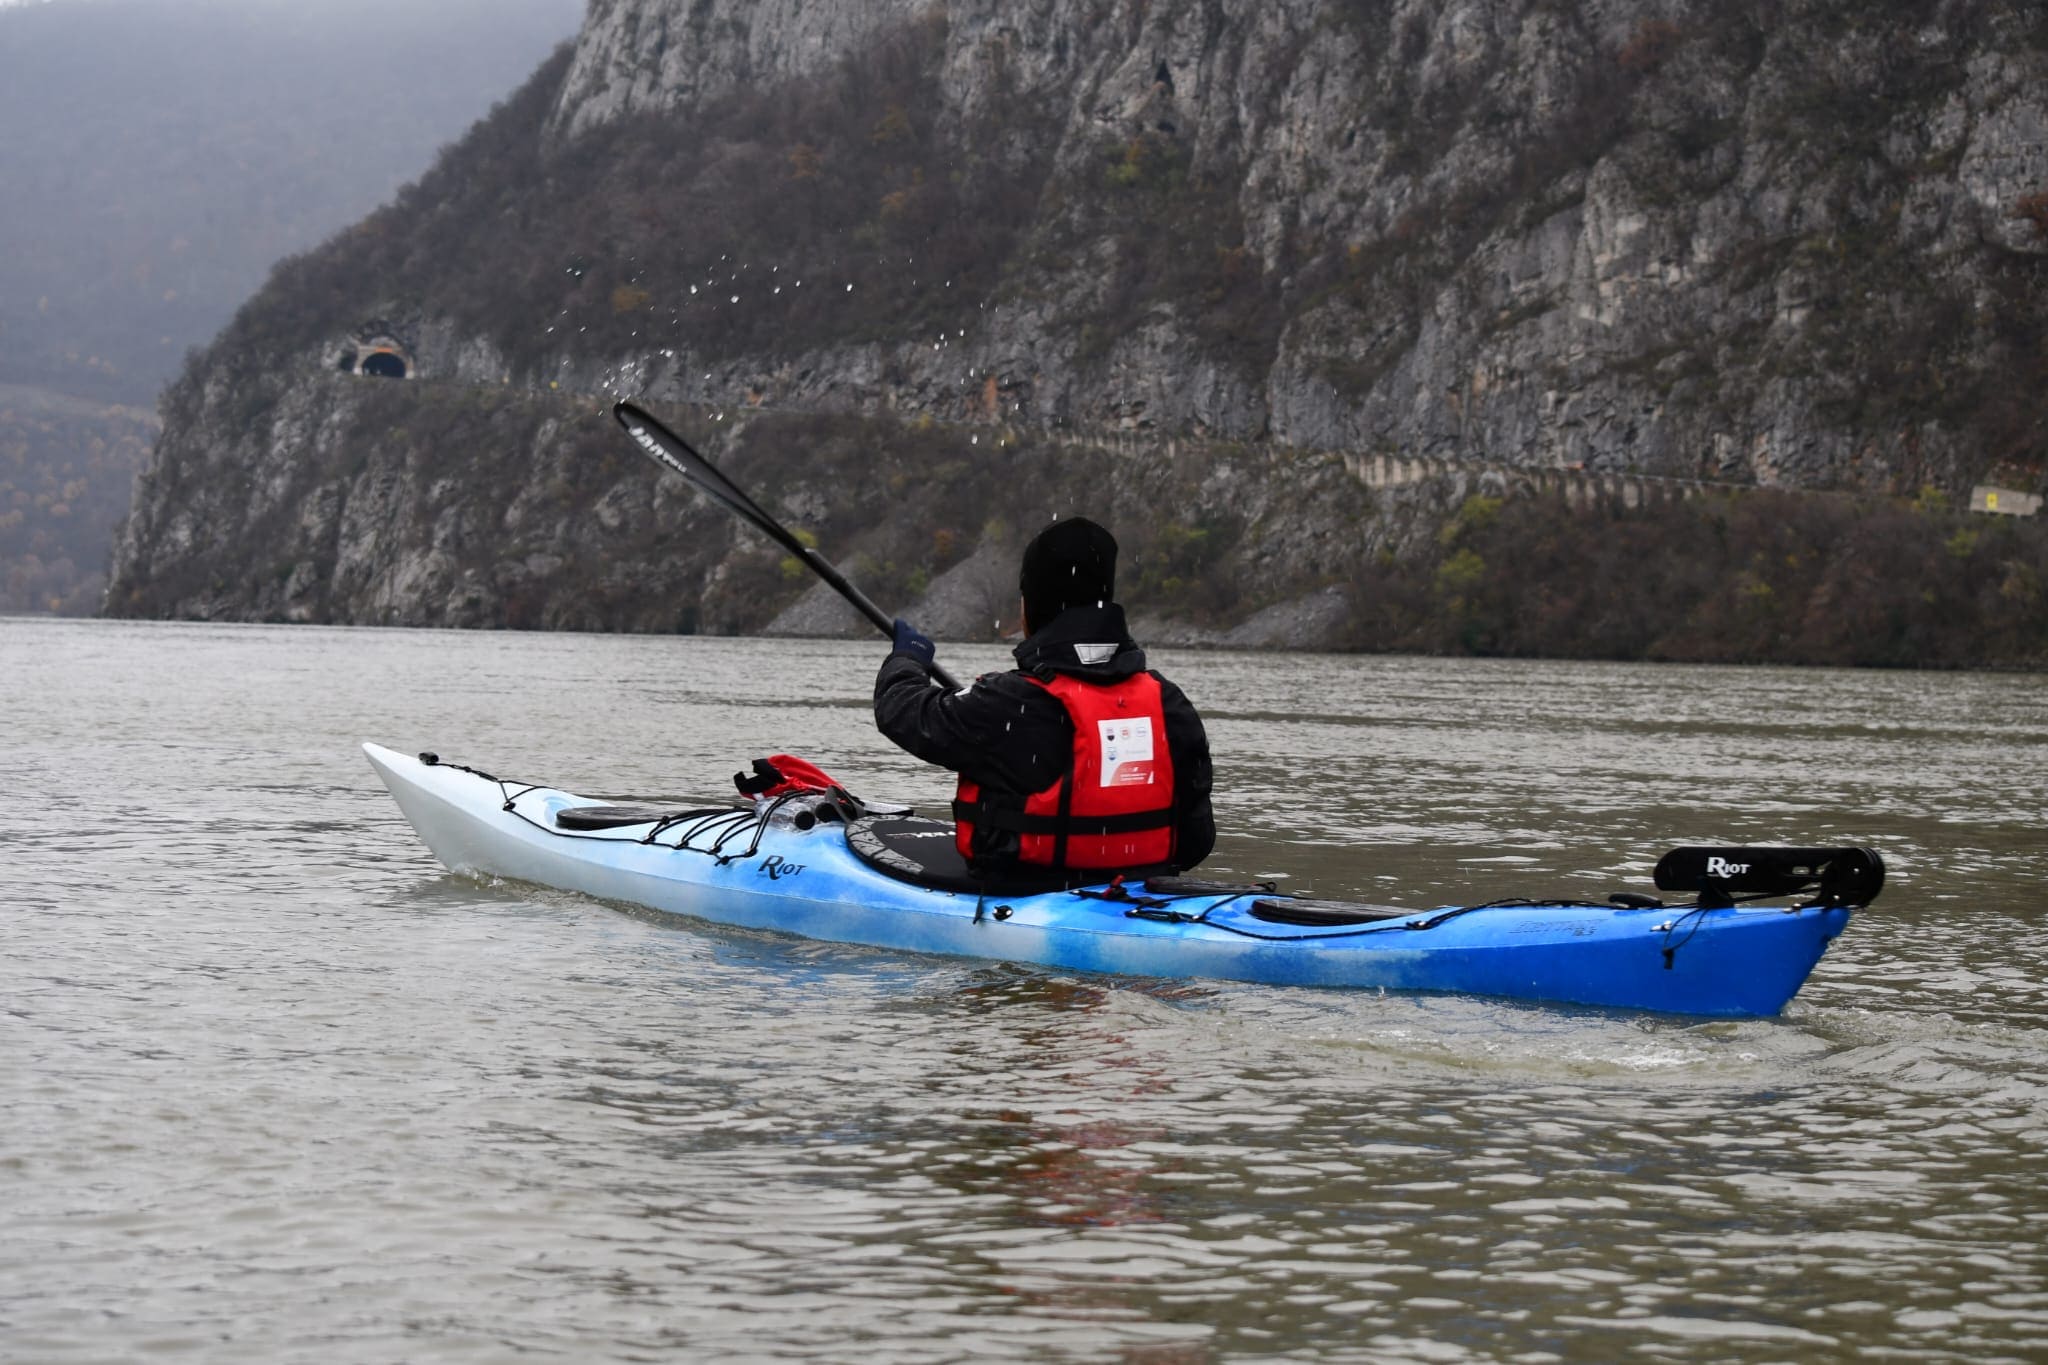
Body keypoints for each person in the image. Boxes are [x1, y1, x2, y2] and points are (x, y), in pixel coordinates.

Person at [874, 517, 1214, 882]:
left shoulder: (1009, 702)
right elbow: (1196, 841)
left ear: (1032, 607)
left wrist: (907, 659)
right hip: (1142, 887)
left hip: (1028, 889)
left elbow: (901, 709)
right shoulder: (1168, 702)